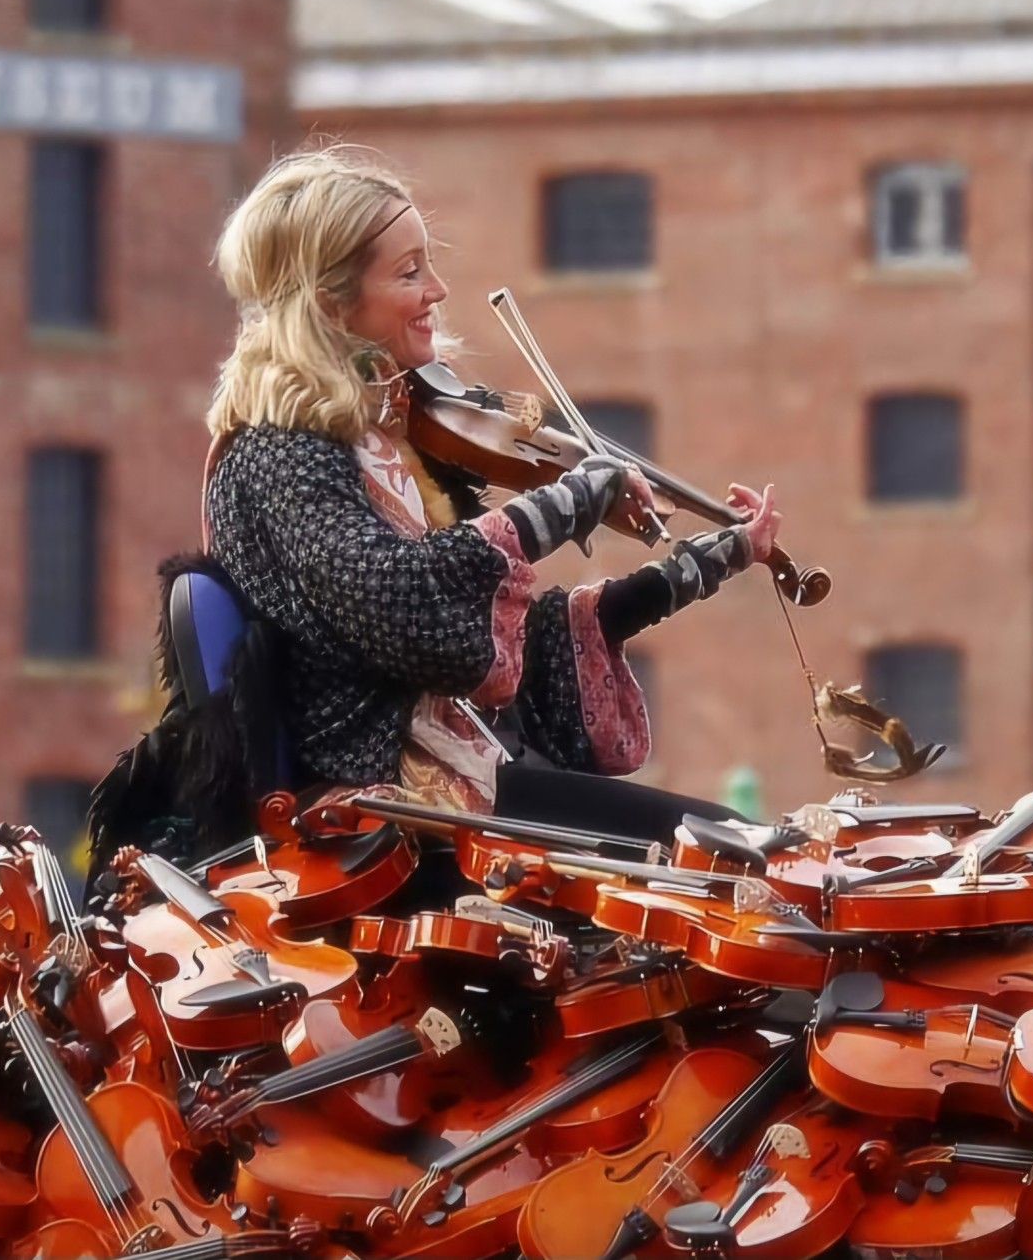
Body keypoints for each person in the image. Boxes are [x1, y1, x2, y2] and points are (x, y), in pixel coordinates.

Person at [87, 146, 779, 871]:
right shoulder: (278, 454)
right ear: (331, 302)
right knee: (734, 858)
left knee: (744, 846)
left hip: (453, 782)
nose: (438, 291)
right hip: (385, 814)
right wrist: (570, 501)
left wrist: (692, 570)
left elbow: (485, 653)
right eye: (410, 272)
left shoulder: (380, 442)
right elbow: (410, 610)